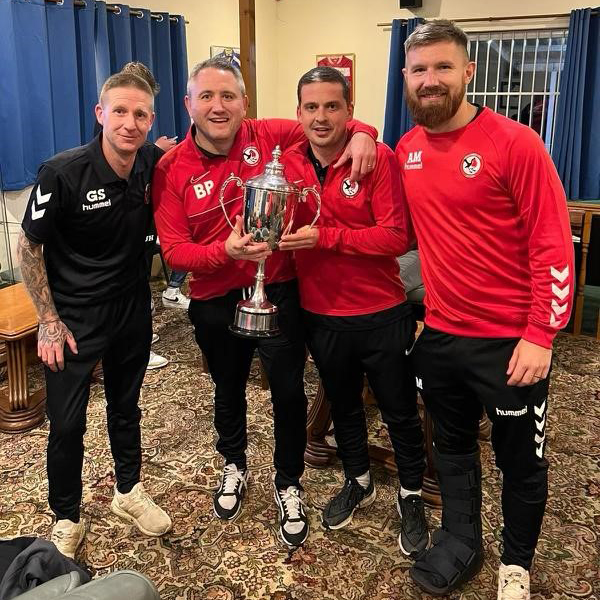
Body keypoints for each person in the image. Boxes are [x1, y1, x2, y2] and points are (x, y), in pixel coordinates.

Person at [152, 57, 377, 547]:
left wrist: (365, 132)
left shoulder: (269, 134)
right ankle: (233, 464)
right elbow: (173, 250)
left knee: (288, 392)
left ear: (244, 103)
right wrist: (223, 252)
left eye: (228, 96)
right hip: (213, 298)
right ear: (189, 104)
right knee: (227, 388)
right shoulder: (171, 168)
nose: (218, 106)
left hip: (277, 290)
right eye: (206, 97)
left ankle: (288, 481)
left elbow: (323, 120)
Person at [395, 20, 574, 599]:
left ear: (468, 72)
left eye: (443, 67)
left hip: (511, 342)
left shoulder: (516, 144)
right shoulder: (407, 149)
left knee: (520, 462)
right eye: (420, 69)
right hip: (443, 335)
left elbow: (553, 244)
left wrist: (541, 334)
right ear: (405, 77)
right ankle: (460, 540)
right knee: (450, 446)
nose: (431, 80)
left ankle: (516, 563)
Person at [17, 72, 172, 559]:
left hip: (131, 311)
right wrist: (47, 319)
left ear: (151, 121)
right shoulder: (62, 172)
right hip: (73, 320)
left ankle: (128, 492)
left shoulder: (152, 162)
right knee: (66, 424)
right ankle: (66, 515)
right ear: (100, 114)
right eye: (120, 112)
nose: (130, 123)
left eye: (140, 114)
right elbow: (28, 247)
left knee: (127, 409)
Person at [277, 67, 428, 556]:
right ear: (298, 112)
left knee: (399, 411)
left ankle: (410, 494)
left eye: (332, 106)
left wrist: (328, 238)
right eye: (311, 107)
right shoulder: (285, 162)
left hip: (381, 311)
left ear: (350, 109)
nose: (321, 118)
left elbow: (396, 237)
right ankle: (358, 479)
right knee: (342, 404)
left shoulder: (377, 158)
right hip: (319, 313)